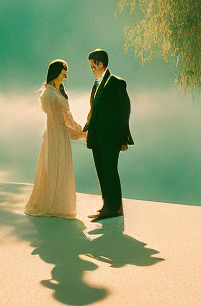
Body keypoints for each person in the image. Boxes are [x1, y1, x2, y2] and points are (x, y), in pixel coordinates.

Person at [24, 59, 87, 219]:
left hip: (54, 134)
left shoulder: (53, 91)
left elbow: (64, 117)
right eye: (63, 70)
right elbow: (63, 119)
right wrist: (81, 131)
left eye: (66, 70)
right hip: (57, 134)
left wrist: (77, 129)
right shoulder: (51, 94)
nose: (66, 73)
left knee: (56, 167)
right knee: (56, 167)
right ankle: (56, 206)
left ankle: (57, 204)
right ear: (56, 71)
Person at [83, 49, 133, 220]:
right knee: (101, 171)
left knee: (111, 171)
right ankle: (107, 206)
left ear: (101, 64)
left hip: (111, 138)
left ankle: (116, 207)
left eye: (93, 65)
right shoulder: (96, 84)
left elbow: (124, 111)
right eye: (90, 66)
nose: (91, 69)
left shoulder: (117, 82)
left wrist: (124, 137)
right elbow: (94, 109)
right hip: (97, 137)